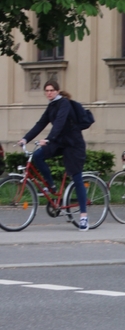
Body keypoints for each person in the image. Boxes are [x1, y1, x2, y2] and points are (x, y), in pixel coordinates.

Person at [18, 80, 89, 231]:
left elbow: (60, 123)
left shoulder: (64, 104)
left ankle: (84, 217)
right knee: (37, 156)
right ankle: (51, 185)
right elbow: (40, 124)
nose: (49, 93)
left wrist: (49, 139)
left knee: (76, 177)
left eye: (51, 90)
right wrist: (25, 138)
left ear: (57, 91)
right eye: (47, 90)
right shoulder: (51, 106)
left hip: (73, 144)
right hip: (59, 142)